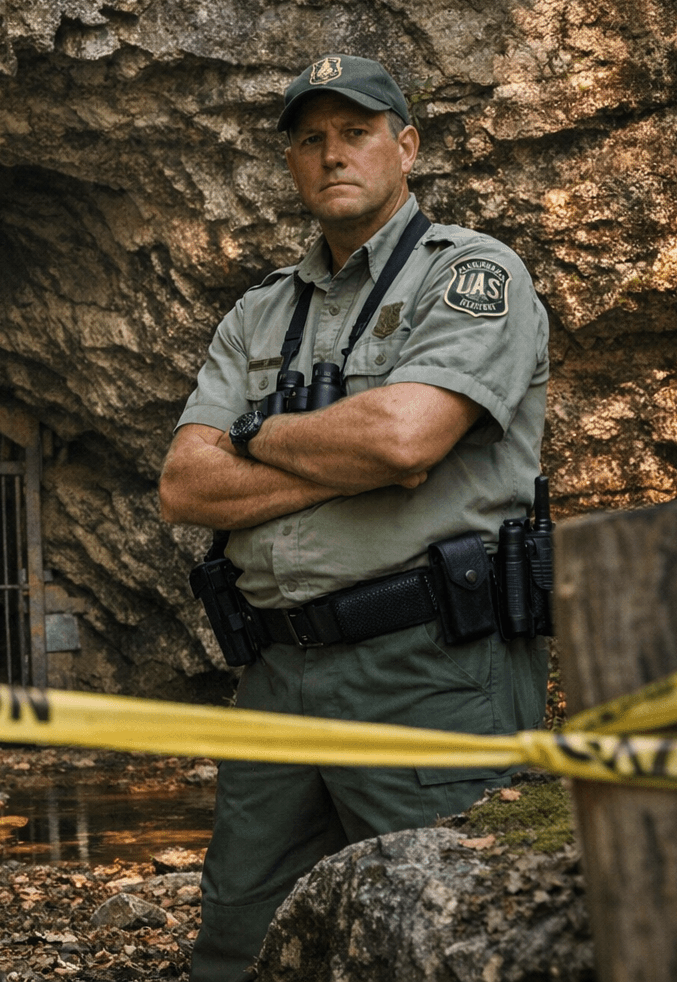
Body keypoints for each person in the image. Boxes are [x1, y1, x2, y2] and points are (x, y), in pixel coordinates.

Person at [159, 56, 550, 982]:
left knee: (449, 941)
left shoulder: (471, 274)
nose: (332, 154)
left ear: (405, 147)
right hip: (276, 673)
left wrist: (251, 436)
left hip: (429, 670)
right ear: (292, 162)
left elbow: (405, 437)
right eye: (310, 139)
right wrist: (345, 456)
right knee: (239, 947)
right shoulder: (259, 312)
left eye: (356, 132)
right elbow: (184, 486)